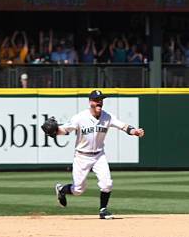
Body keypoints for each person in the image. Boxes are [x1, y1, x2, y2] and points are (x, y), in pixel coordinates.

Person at [52, 90, 145, 219]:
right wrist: (55, 131)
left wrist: (134, 131)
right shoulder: (80, 117)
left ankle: (103, 210)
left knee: (107, 184)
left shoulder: (107, 117)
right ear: (90, 102)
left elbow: (122, 126)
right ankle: (62, 190)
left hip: (99, 155)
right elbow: (65, 129)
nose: (99, 102)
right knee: (78, 190)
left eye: (101, 100)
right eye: (96, 100)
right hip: (81, 156)